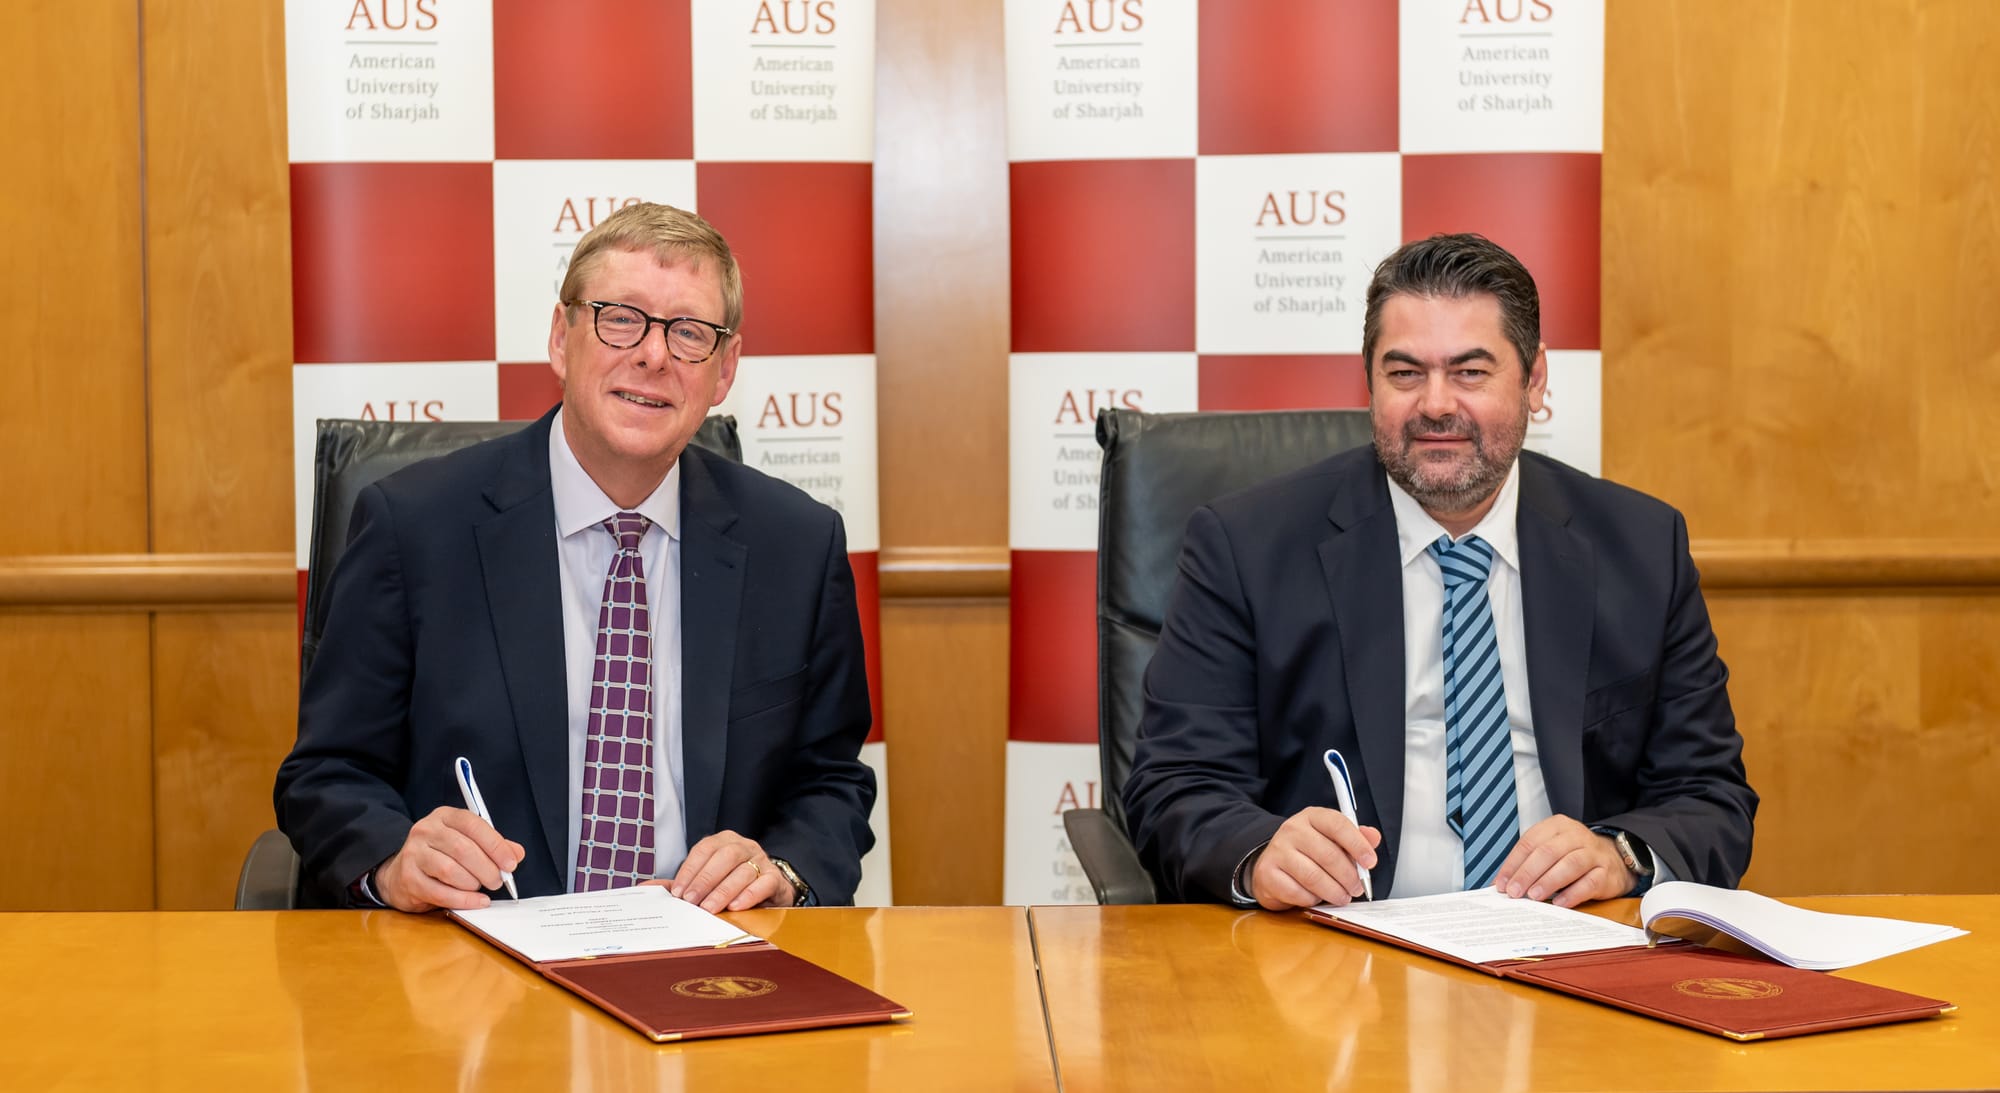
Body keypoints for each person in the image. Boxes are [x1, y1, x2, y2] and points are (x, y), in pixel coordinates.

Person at [1123, 233, 1756, 910]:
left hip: (1570, 948)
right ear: (1368, 382)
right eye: (1404, 373)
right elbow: (1173, 785)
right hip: (1339, 959)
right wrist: (1258, 853)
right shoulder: (1246, 546)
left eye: (1470, 372)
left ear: (1534, 380)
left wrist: (1621, 853)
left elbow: (1712, 795)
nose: (1435, 405)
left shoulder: (1640, 547)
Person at [275, 203, 875, 913]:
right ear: (562, 339)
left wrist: (781, 868)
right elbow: (326, 772)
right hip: (477, 967)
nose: (653, 355)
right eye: (621, 318)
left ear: (723, 371)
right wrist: (394, 857)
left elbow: (831, 782)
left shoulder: (796, 545)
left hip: (703, 962)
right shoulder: (415, 527)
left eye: (689, 333)